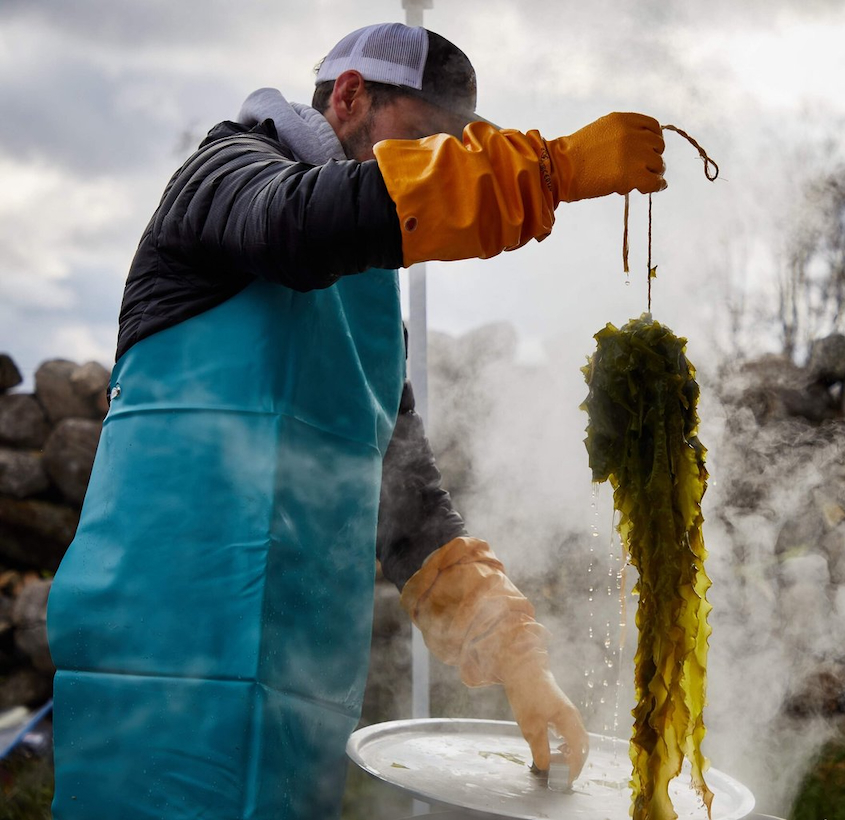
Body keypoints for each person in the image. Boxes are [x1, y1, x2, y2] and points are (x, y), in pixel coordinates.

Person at [45, 22, 666, 820]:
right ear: (349, 96)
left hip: (295, 685)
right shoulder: (225, 175)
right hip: (158, 656)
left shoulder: (372, 310)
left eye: (451, 151)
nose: (430, 167)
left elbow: (407, 507)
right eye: (420, 143)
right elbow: (303, 225)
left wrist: (519, 659)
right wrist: (542, 171)